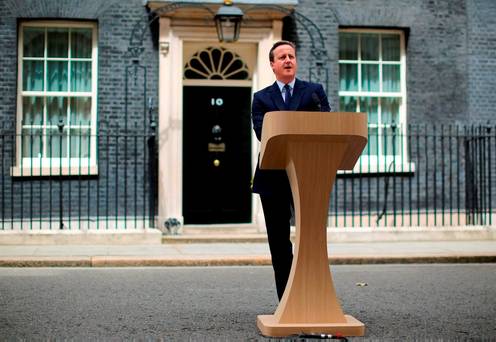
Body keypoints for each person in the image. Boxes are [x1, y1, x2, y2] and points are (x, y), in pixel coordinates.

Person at [251, 40, 331, 300]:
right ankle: (287, 300)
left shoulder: (314, 92)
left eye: (292, 56)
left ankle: (313, 297)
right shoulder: (261, 98)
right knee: (279, 242)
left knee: (311, 238)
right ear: (273, 65)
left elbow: (325, 124)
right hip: (273, 175)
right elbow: (264, 133)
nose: (288, 60)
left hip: (309, 173)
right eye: (282, 57)